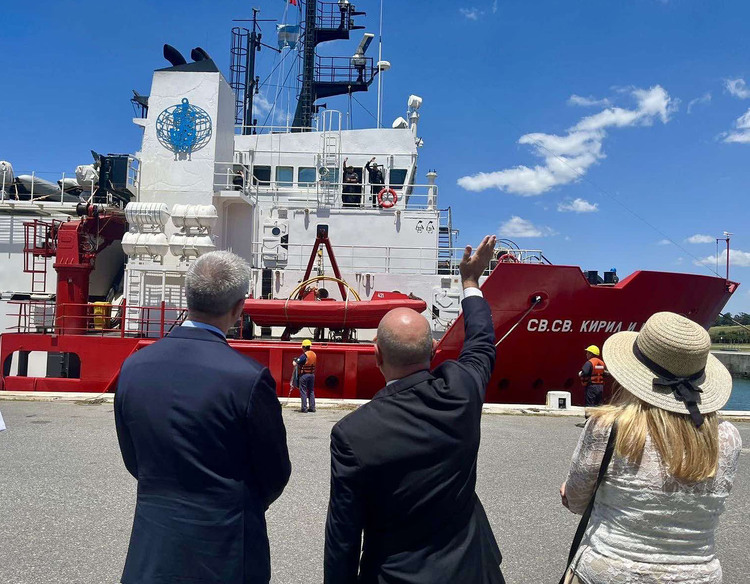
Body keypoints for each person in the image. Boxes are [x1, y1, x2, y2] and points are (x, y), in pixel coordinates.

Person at [324, 235, 504, 584]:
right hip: (472, 570)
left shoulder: (353, 434)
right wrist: (470, 281)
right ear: (434, 351)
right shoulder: (462, 392)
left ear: (376, 357)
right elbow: (481, 343)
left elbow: (343, 535)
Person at [114, 251, 291, 584]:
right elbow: (274, 473)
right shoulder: (249, 379)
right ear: (240, 308)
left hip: (150, 554)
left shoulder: (134, 367)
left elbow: (134, 459)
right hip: (225, 555)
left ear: (188, 295)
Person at [560, 312, 742, 584]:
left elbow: (575, 501)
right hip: (699, 577)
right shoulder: (728, 436)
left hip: (609, 572)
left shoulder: (607, 427)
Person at [577, 345, 607, 426]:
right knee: (598, 404)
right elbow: (604, 373)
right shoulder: (601, 363)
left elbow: (585, 373)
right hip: (600, 386)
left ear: (591, 354)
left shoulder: (589, 363)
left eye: (587, 352)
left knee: (590, 404)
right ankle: (598, 421)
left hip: (591, 386)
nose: (586, 354)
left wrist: (580, 374)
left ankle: (588, 423)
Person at [294, 339, 317, 413]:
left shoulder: (304, 355)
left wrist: (294, 361)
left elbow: (296, 363)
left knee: (303, 391)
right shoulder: (314, 354)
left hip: (304, 375)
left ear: (303, 347)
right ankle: (312, 407)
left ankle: (304, 408)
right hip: (312, 375)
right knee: (311, 391)